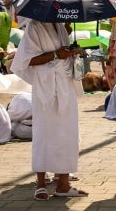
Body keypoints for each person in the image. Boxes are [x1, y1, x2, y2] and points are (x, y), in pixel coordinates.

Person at [11, 19, 87, 201]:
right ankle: (41, 184)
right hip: (45, 88)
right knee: (44, 133)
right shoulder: (34, 26)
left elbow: (63, 54)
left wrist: (71, 49)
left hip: (65, 84)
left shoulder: (60, 26)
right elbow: (26, 60)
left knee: (67, 133)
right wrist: (56, 54)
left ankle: (63, 183)